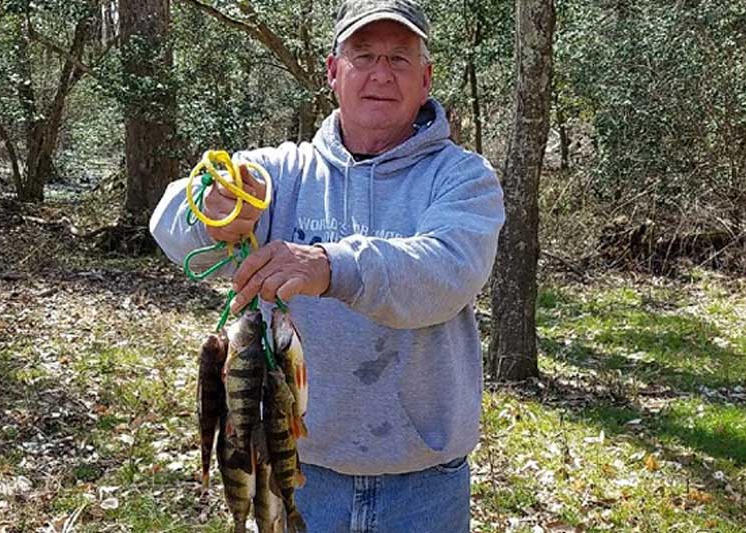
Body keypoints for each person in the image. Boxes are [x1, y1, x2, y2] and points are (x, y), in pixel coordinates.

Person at [150, 0, 504, 530]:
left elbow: (448, 272)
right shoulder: (279, 173)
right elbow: (171, 214)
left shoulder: (463, 178)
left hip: (424, 488)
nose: (381, 73)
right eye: (363, 55)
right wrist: (214, 216)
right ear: (333, 72)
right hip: (297, 475)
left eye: (399, 58)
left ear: (426, 78)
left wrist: (331, 266)